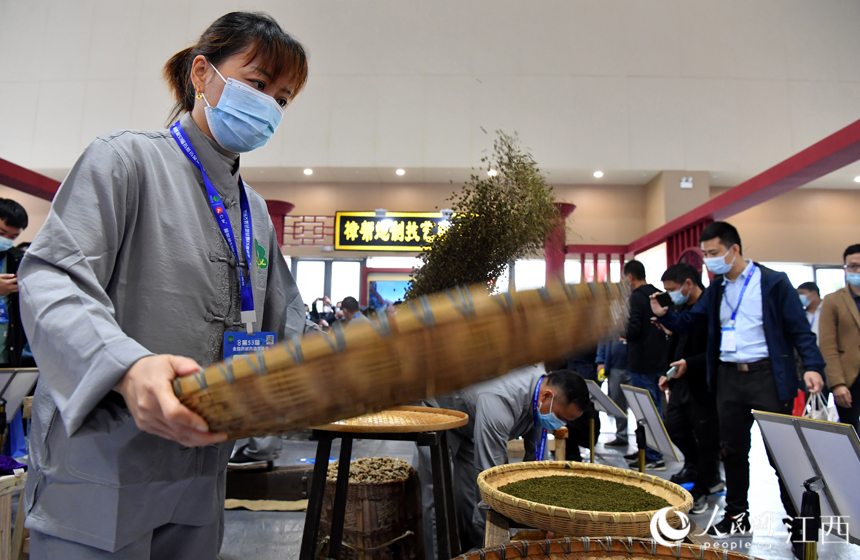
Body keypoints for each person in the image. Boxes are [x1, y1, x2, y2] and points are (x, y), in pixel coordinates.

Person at [17, 12, 308, 559]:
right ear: (202, 73)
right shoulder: (125, 160)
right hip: (102, 466)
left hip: (202, 468)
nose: (271, 106)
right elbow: (54, 277)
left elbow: (283, 317)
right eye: (258, 84)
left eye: (284, 99)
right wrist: (127, 366)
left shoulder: (256, 211)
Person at [652, 222, 824, 546]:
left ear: (734, 250)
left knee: (779, 454)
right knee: (731, 451)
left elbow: (800, 330)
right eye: (705, 254)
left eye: (714, 253)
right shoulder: (717, 289)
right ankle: (736, 517)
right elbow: (693, 321)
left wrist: (813, 367)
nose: (709, 260)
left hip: (767, 377)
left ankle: (799, 524)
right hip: (729, 378)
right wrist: (666, 315)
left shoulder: (773, 283)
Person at [416, 367, 588, 557]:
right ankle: (437, 555)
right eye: (561, 418)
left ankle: (471, 550)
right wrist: (498, 539)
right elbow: (489, 478)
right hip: (440, 412)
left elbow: (537, 464)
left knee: (465, 498)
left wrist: (546, 518)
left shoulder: (541, 400)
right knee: (437, 492)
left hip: (472, 423)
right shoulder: (500, 402)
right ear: (547, 396)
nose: (560, 425)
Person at [656, 263, 723, 515]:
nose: (671, 294)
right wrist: (668, 374)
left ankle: (704, 487)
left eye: (672, 289)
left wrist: (689, 364)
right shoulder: (680, 309)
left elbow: (716, 350)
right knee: (674, 425)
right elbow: (677, 344)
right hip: (680, 380)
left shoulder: (709, 308)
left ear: (688, 284)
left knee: (707, 437)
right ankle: (694, 466)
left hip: (703, 382)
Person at [622, 260, 669, 470]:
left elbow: (632, 330)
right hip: (660, 361)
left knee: (646, 409)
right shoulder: (658, 294)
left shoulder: (636, 297)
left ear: (630, 277)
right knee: (655, 407)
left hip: (641, 361)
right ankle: (645, 450)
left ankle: (653, 453)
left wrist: (619, 331)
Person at [819, 244, 860, 432]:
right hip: (849, 379)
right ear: (845, 269)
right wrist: (837, 383)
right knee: (851, 436)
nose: (858, 270)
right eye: (853, 266)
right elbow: (828, 346)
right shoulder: (832, 300)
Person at [0, 199, 35, 368]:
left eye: (13, 236)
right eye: (1, 232)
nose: (6, 240)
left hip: (7, 355)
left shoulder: (17, 259)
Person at [596, 337, 630, 447]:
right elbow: (603, 341)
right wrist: (600, 361)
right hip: (614, 367)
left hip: (634, 367)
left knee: (638, 405)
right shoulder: (610, 324)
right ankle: (621, 436)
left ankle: (644, 443)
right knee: (617, 404)